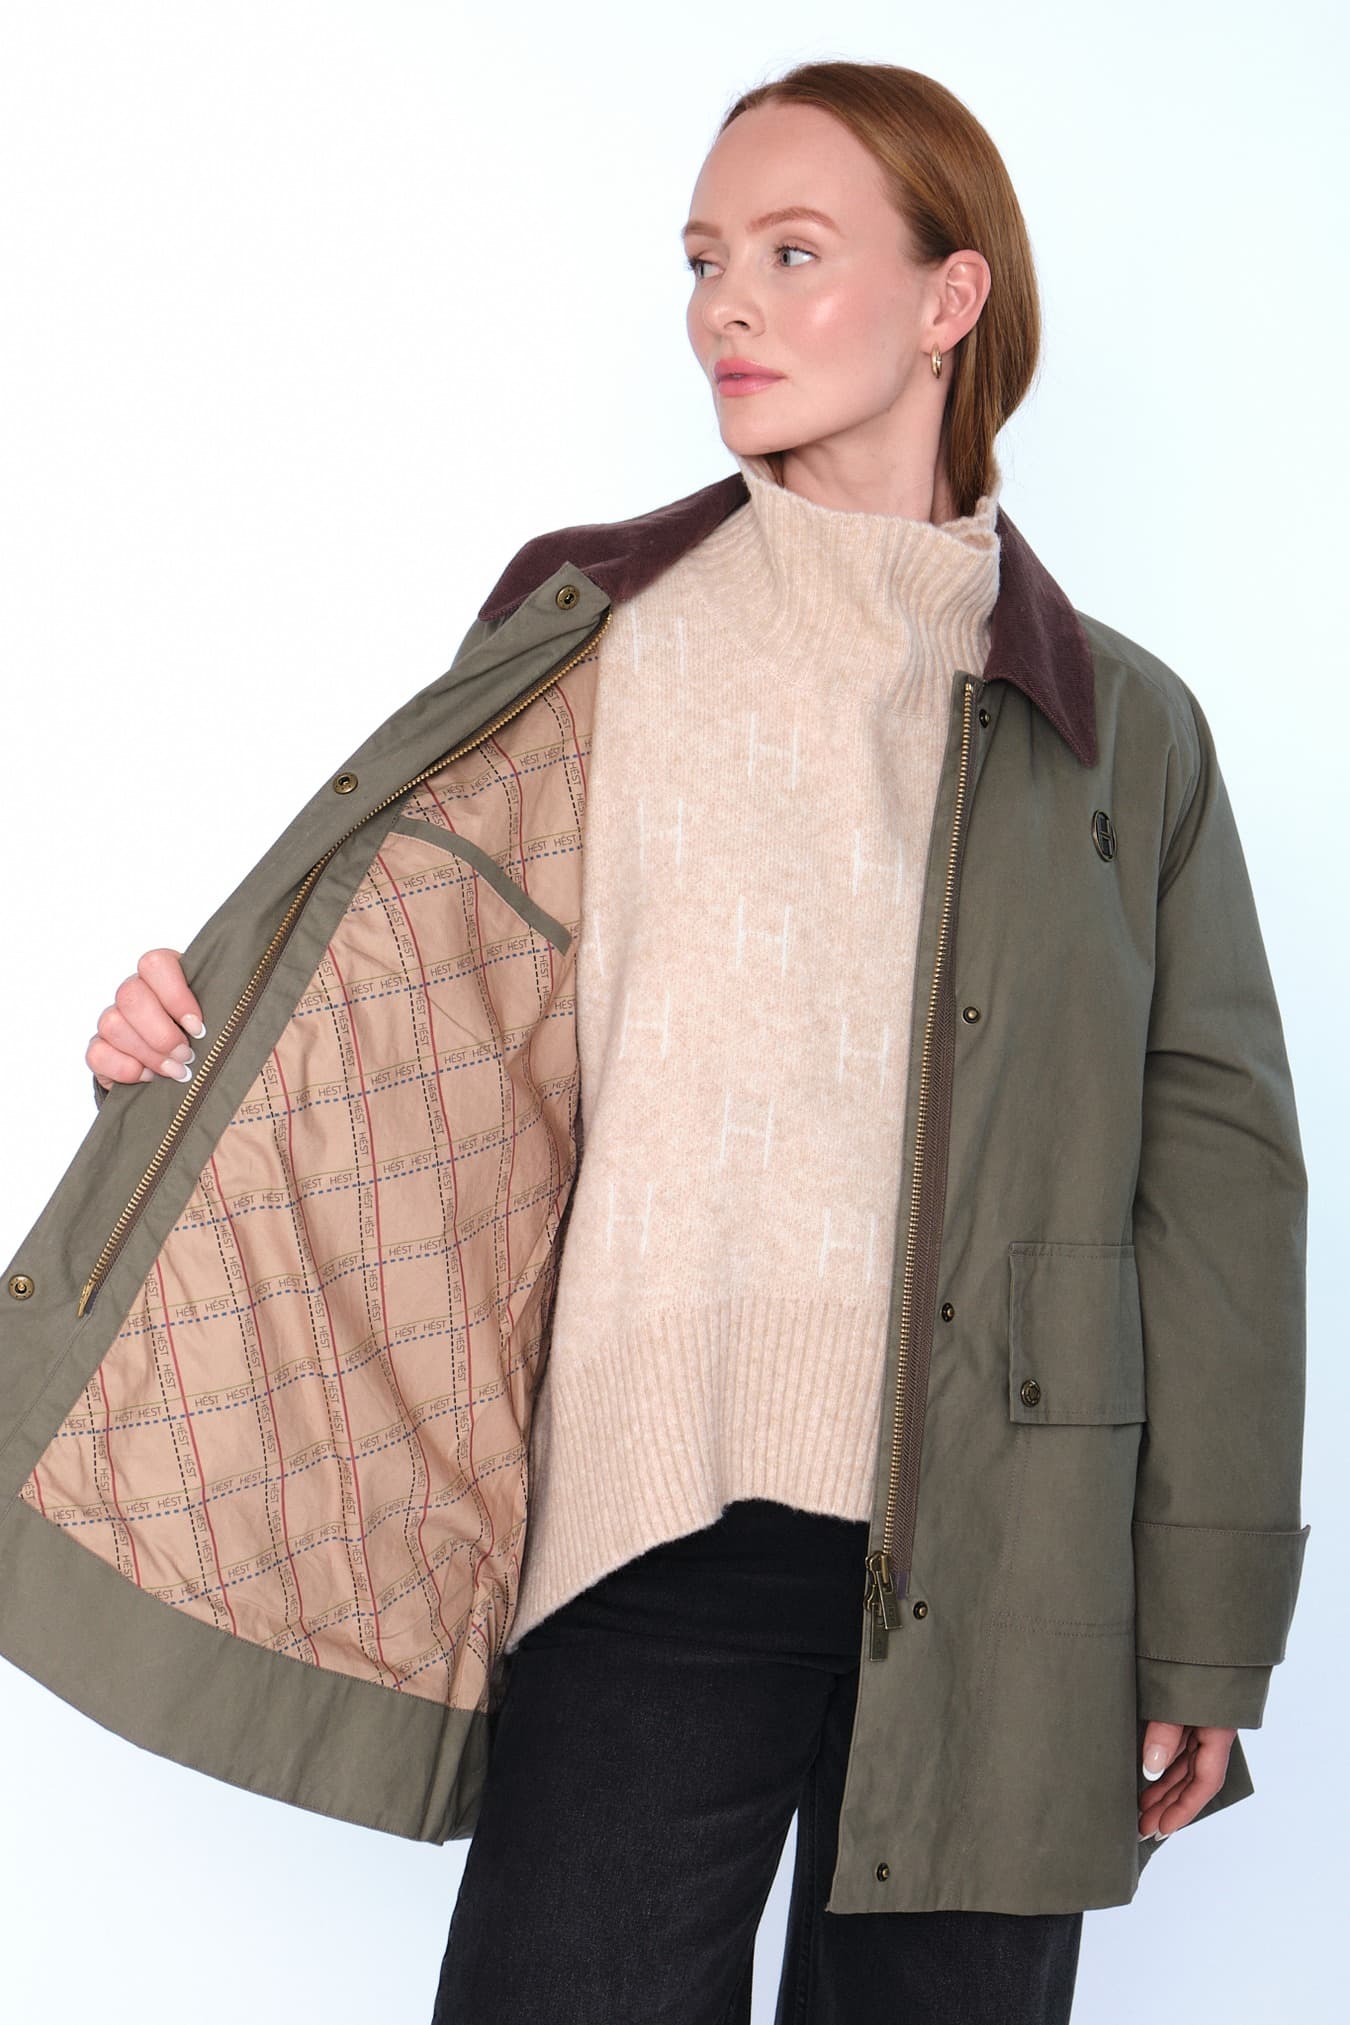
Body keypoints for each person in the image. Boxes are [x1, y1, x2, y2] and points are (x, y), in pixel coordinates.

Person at [38, 57, 1306, 2025]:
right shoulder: (589, 629)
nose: (725, 306)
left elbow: (1218, 1191)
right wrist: (193, 1049)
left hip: (1013, 1549)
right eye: (706, 258)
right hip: (645, 1522)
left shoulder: (1122, 730)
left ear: (949, 299)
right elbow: (418, 1009)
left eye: (792, 254)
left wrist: (1204, 1625)